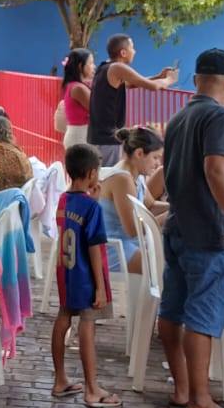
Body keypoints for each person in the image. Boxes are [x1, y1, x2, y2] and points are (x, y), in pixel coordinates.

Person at [158, 49, 224, 408]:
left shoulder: (179, 118)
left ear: (195, 80)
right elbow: (215, 170)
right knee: (202, 316)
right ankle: (200, 401)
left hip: (178, 227)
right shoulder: (219, 117)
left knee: (173, 310)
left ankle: (183, 390)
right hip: (209, 233)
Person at [50, 144, 119, 407]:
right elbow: (93, 247)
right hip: (87, 275)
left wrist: (93, 201)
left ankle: (60, 379)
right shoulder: (92, 208)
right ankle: (92, 389)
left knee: (63, 317)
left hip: (66, 271)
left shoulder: (63, 200)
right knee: (87, 326)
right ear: (92, 173)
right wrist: (100, 287)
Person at [87, 34, 178, 167]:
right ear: (123, 53)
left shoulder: (105, 67)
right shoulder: (117, 68)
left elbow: (131, 83)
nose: (134, 52)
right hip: (108, 138)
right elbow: (152, 86)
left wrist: (159, 76)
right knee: (108, 176)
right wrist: (170, 79)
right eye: (132, 48)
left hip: (98, 135)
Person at [97, 126, 166, 275]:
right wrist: (167, 217)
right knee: (167, 266)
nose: (157, 164)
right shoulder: (122, 179)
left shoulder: (136, 175)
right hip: (115, 248)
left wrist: (176, 208)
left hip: (130, 243)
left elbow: (151, 206)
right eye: (155, 158)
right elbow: (133, 230)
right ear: (139, 153)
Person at [59, 48, 95, 150]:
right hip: (79, 137)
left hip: (79, 136)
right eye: (91, 63)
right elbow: (97, 110)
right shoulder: (78, 88)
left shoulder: (74, 86)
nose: (94, 66)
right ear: (80, 66)